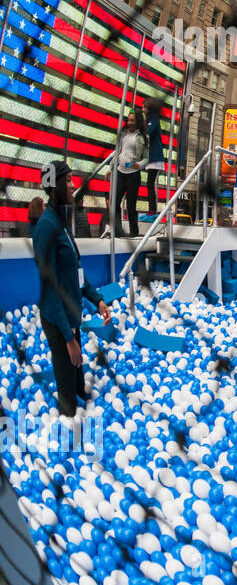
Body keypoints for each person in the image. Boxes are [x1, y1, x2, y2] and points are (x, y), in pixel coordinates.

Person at [32, 161, 113, 417]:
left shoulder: (60, 220)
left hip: (71, 316)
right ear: (54, 186)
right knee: (68, 402)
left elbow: (75, 271)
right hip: (58, 321)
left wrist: (97, 299)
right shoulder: (46, 226)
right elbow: (50, 287)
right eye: (67, 180)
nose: (72, 185)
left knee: (79, 388)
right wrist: (68, 339)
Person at [114, 109, 146, 237]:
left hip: (133, 174)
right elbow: (117, 152)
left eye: (132, 120)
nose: (129, 122)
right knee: (115, 202)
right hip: (120, 172)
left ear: (138, 122)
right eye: (128, 120)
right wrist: (110, 169)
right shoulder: (123, 134)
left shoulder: (142, 137)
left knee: (130, 206)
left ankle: (134, 232)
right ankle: (118, 230)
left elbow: (146, 158)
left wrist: (140, 164)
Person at [143, 98, 166, 216]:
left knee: (150, 184)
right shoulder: (150, 119)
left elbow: (148, 133)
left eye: (144, 107)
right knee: (149, 183)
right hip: (152, 157)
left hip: (154, 157)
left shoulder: (153, 119)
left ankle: (152, 209)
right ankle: (152, 209)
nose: (142, 109)